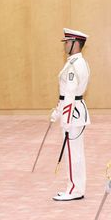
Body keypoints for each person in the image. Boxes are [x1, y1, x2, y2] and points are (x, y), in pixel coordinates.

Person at [50, 28, 90, 201]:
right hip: (74, 111)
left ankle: (74, 190)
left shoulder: (74, 65)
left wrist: (65, 119)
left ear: (75, 44)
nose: (65, 45)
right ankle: (76, 187)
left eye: (67, 42)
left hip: (72, 114)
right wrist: (58, 111)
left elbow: (70, 94)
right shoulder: (77, 62)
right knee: (76, 153)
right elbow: (66, 93)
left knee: (73, 153)